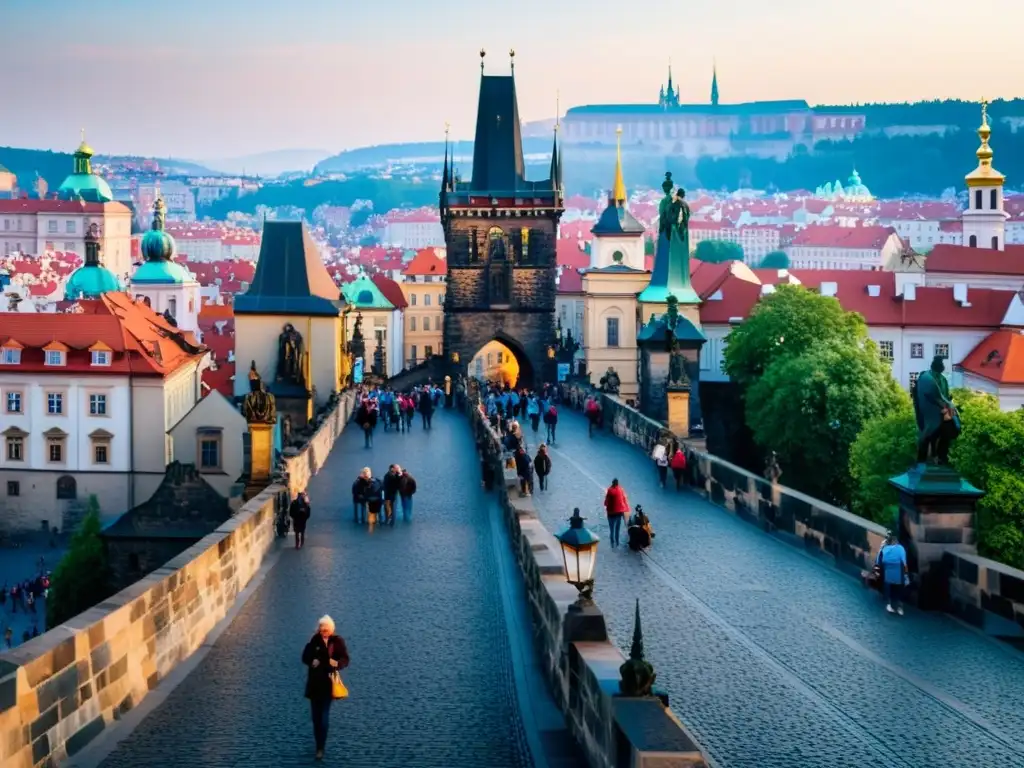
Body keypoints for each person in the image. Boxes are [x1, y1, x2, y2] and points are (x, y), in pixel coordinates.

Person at [302, 615, 350, 761]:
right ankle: (318, 743)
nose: (324, 630)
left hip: (328, 685)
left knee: (323, 717)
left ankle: (320, 748)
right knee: (315, 718)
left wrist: (335, 663)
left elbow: (345, 659)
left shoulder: (337, 641)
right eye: (322, 627)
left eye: (326, 627)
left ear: (331, 628)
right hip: (314, 684)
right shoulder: (314, 640)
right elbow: (305, 656)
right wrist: (312, 660)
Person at [875, 532, 909, 615]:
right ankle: (899, 607)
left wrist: (878, 568)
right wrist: (906, 574)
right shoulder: (900, 548)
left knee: (891, 589)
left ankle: (891, 605)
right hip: (898, 571)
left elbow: (879, 559)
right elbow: (904, 563)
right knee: (898, 590)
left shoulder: (885, 548)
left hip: (889, 571)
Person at [603, 478, 629, 548]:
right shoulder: (621, 489)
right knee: (617, 529)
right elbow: (624, 500)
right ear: (618, 483)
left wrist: (606, 503)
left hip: (611, 514)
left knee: (612, 530)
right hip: (619, 514)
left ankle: (612, 544)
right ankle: (617, 543)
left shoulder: (610, 490)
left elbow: (606, 503)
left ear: (612, 483)